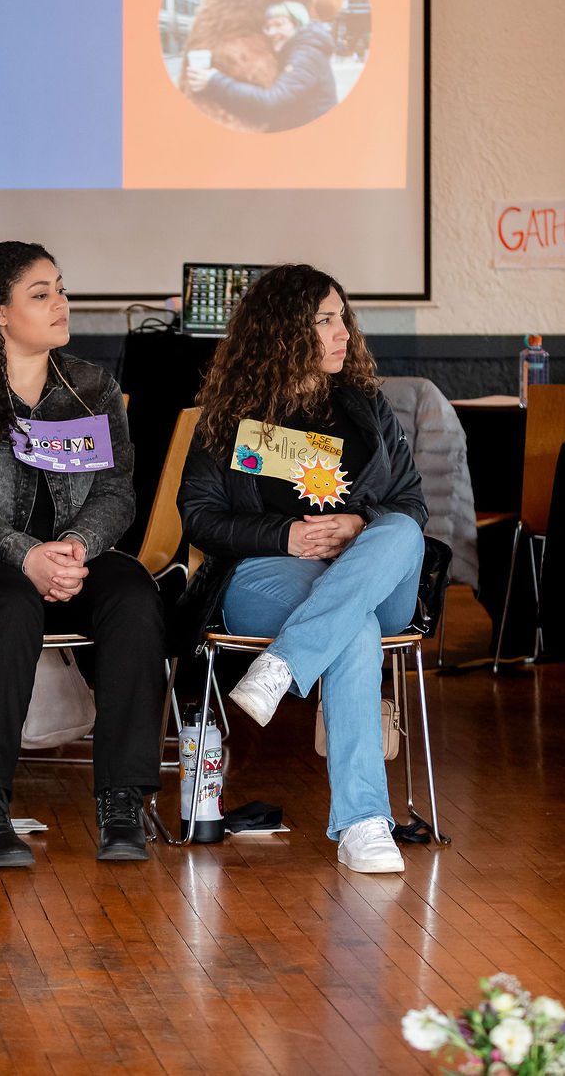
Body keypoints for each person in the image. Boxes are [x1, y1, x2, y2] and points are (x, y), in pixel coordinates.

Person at [0, 241, 165, 867]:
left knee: (132, 595)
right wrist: (26, 555)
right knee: (13, 602)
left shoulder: (93, 386)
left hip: (74, 557)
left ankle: (122, 801)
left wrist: (77, 546)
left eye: (61, 290)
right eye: (40, 294)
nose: (60, 304)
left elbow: (117, 489)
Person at [176, 264, 428, 874]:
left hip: (375, 574)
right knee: (355, 625)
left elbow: (412, 502)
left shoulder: (368, 408)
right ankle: (365, 823)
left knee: (401, 530)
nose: (343, 332)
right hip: (272, 577)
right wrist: (283, 534)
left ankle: (284, 662)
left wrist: (359, 525)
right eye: (324, 320)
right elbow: (200, 518)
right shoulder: (232, 414)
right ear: (283, 332)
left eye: (342, 316)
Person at [184, 0, 339, 132]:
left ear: (297, 25)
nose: (271, 32)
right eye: (268, 27)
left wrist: (215, 81)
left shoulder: (306, 54)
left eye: (279, 24)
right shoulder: (295, 51)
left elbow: (272, 102)